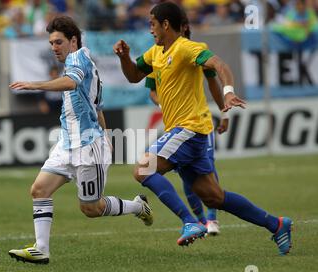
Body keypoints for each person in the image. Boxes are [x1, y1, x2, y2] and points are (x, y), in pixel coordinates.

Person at [113, 2, 293, 255]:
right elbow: (133, 76)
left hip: (189, 128)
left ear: (165, 24)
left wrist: (228, 94)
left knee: (143, 169)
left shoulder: (187, 48)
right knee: (214, 197)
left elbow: (221, 67)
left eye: (152, 24)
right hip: (186, 133)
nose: (150, 29)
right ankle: (277, 224)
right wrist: (124, 58)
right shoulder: (155, 53)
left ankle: (190, 222)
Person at [8, 16, 153, 264]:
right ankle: (41, 248)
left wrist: (35, 85)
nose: (54, 47)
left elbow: (71, 82)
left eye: (59, 42)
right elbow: (98, 107)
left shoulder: (78, 59)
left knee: (91, 209)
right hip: (67, 144)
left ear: (73, 40)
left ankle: (138, 206)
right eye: (51, 43)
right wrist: (108, 136)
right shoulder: (85, 62)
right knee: (39, 189)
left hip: (87, 147)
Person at [144, 14, 228, 236]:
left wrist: (224, 111)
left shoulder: (194, 50)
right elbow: (152, 91)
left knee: (207, 167)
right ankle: (199, 220)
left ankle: (211, 217)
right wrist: (165, 101)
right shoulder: (157, 54)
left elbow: (212, 80)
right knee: (186, 174)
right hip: (176, 124)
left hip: (199, 122)